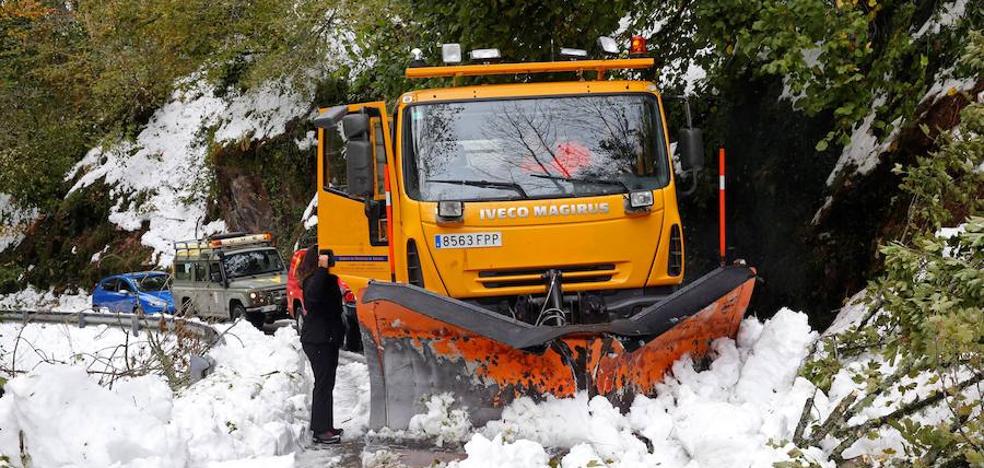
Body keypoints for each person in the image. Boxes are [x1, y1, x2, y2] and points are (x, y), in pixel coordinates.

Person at [297, 245, 346, 445]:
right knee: (322, 384)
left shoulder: (325, 278)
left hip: (327, 339)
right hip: (317, 340)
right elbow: (314, 297)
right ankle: (319, 430)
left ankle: (327, 425)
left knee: (328, 383)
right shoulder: (311, 280)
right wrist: (322, 269)